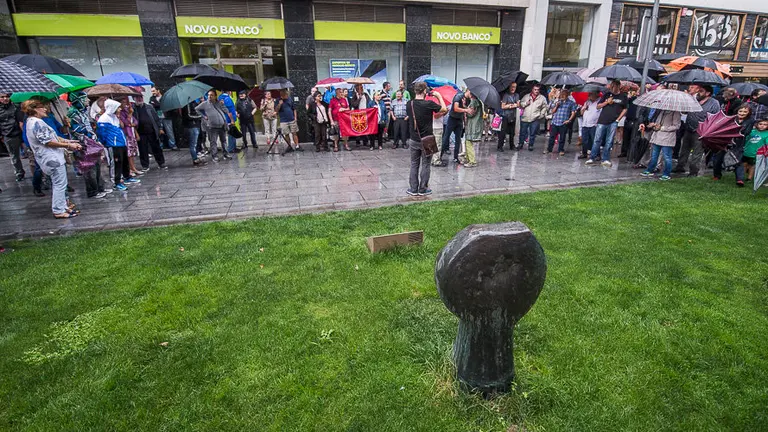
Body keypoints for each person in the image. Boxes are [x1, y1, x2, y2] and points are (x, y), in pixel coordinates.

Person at [23, 99, 82, 218]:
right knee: (59, 184)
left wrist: (68, 140)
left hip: (50, 157)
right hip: (51, 158)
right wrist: (68, 145)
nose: (45, 109)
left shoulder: (34, 122)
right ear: (34, 109)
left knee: (60, 183)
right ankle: (58, 210)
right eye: (42, 107)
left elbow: (53, 137)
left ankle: (63, 206)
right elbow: (48, 141)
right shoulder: (36, 123)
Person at [406, 82, 446, 196]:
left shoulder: (410, 104)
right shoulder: (429, 103)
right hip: (428, 138)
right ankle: (423, 189)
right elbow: (443, 109)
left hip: (414, 139)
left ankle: (413, 189)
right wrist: (438, 96)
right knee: (426, 164)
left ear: (415, 91)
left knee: (414, 164)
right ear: (424, 91)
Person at [68, 91, 109, 198]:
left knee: (97, 165)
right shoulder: (73, 113)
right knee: (89, 168)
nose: (88, 101)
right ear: (79, 100)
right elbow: (78, 130)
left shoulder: (83, 111)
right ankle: (92, 191)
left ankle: (100, 187)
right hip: (83, 144)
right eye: (85, 99)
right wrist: (89, 136)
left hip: (92, 142)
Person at [673, 84, 720, 176]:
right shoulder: (694, 99)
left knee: (697, 152)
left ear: (708, 93)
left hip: (701, 131)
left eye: (701, 91)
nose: (699, 93)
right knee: (684, 149)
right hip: (689, 128)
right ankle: (680, 167)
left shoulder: (714, 103)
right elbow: (685, 111)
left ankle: (693, 171)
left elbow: (715, 117)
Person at [98, 99, 137, 192]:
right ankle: (116, 182)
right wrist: (106, 143)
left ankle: (127, 176)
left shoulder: (115, 117)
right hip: (113, 145)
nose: (119, 109)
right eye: (118, 107)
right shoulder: (104, 119)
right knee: (116, 164)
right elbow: (101, 134)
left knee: (124, 161)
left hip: (121, 143)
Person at [586, 80, 627, 167]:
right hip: (602, 120)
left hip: (613, 121)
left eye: (615, 86)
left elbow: (625, 109)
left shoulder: (623, 96)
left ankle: (606, 158)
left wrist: (618, 119)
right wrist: (606, 102)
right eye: (612, 86)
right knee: (597, 139)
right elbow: (598, 106)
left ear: (619, 86)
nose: (613, 88)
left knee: (609, 141)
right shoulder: (607, 95)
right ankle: (592, 157)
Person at [713, 105, 752, 185]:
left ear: (748, 113)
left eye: (745, 112)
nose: (742, 113)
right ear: (737, 111)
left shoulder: (750, 121)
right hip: (725, 142)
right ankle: (717, 175)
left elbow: (746, 132)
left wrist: (736, 131)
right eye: (740, 111)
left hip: (739, 144)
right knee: (718, 159)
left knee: (738, 161)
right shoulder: (731, 119)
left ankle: (739, 179)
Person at [639, 109, 681, 181]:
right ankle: (650, 169)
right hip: (657, 137)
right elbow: (658, 123)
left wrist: (663, 128)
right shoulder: (661, 111)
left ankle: (666, 174)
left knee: (667, 157)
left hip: (667, 138)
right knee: (654, 155)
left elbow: (676, 126)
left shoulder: (675, 112)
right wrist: (654, 125)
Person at [196, 89, 232, 162]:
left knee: (224, 141)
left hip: (221, 125)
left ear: (215, 96)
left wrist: (222, 104)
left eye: (211, 95)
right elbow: (197, 109)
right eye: (209, 95)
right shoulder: (205, 103)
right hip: (212, 126)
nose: (209, 96)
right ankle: (214, 156)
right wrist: (203, 116)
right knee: (213, 142)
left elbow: (226, 111)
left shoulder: (219, 103)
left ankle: (226, 154)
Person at [134, 94, 167, 170]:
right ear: (134, 98)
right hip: (141, 132)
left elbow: (156, 118)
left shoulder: (149, 107)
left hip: (152, 131)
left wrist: (160, 128)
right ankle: (145, 165)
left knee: (156, 147)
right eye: (137, 97)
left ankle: (161, 163)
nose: (139, 99)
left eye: (141, 97)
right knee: (143, 149)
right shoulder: (134, 109)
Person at [441, 88, 472, 164]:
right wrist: (466, 110)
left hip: (459, 119)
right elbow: (456, 108)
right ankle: (440, 155)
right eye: (471, 93)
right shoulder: (458, 96)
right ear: (467, 91)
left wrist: (465, 121)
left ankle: (455, 157)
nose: (471, 95)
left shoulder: (468, 100)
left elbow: (465, 110)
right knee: (446, 137)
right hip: (452, 119)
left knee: (458, 139)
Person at [0, 92, 25, 181]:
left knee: (30, 154)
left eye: (7, 96)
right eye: (2, 97)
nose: (5, 98)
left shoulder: (15, 106)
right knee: (14, 156)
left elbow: (21, 120)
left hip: (20, 132)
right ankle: (19, 172)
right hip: (8, 134)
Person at [546, 89, 578, 155]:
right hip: (555, 121)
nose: (562, 96)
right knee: (552, 137)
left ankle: (561, 150)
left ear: (567, 95)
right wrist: (557, 105)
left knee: (562, 137)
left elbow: (573, 112)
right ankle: (549, 149)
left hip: (563, 122)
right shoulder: (556, 102)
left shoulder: (571, 103)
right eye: (561, 95)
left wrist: (569, 120)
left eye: (564, 95)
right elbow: (552, 111)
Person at [518, 84, 548, 151]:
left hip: (535, 118)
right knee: (522, 132)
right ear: (532, 90)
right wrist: (526, 103)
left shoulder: (542, 98)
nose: (536, 91)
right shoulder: (526, 96)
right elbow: (521, 105)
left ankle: (531, 145)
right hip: (525, 117)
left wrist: (541, 115)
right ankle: (520, 144)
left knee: (533, 133)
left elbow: (545, 107)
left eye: (538, 90)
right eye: (535, 89)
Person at [117, 98, 142, 177]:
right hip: (126, 134)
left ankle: (133, 167)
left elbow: (135, 121)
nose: (125, 104)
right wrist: (130, 114)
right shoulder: (120, 113)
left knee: (132, 153)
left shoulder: (127, 110)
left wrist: (133, 123)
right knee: (128, 153)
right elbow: (126, 122)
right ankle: (130, 169)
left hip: (132, 134)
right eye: (123, 102)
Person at [150, 87, 179, 151]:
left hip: (166, 116)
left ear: (158, 90)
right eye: (152, 91)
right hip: (158, 117)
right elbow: (152, 107)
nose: (153, 93)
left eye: (154, 91)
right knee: (159, 131)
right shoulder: (152, 99)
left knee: (169, 131)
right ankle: (160, 146)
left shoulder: (165, 97)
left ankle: (173, 145)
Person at [743, 117, 768, 182]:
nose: (762, 126)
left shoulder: (767, 134)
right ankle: (741, 177)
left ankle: (749, 178)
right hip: (746, 151)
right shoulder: (751, 131)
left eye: (765, 124)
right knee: (744, 165)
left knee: (752, 166)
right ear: (757, 124)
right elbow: (745, 139)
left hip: (756, 154)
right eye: (760, 124)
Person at [182, 99, 206, 166]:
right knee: (193, 144)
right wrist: (199, 117)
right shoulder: (187, 104)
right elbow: (189, 115)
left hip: (194, 125)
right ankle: (195, 159)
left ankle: (196, 158)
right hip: (192, 125)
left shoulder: (191, 103)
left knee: (195, 143)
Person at [497, 82, 520, 152]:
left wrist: (511, 105)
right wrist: (512, 105)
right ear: (509, 87)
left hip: (513, 116)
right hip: (505, 116)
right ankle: (500, 146)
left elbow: (518, 104)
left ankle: (511, 145)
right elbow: (503, 106)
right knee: (503, 132)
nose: (513, 88)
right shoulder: (506, 95)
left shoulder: (517, 95)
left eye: (515, 87)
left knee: (512, 133)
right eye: (512, 87)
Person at [463, 93, 483, 167]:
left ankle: (472, 161)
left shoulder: (473, 102)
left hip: (472, 125)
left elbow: (470, 113)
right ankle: (469, 159)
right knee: (468, 141)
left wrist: (465, 109)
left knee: (468, 142)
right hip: (477, 124)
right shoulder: (479, 102)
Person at [580, 91, 601, 159]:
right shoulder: (587, 102)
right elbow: (581, 113)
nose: (589, 95)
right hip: (585, 124)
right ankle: (584, 153)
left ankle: (597, 154)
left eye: (591, 94)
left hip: (593, 124)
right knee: (584, 140)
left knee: (594, 140)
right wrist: (583, 109)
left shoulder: (599, 102)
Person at [329, 87, 350, 152]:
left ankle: (346, 145)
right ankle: (336, 146)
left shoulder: (344, 100)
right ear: (337, 93)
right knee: (336, 133)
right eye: (340, 92)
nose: (342, 93)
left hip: (344, 120)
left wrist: (343, 109)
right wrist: (331, 120)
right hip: (335, 119)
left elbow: (348, 108)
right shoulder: (332, 100)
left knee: (345, 133)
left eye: (342, 92)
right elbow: (329, 111)